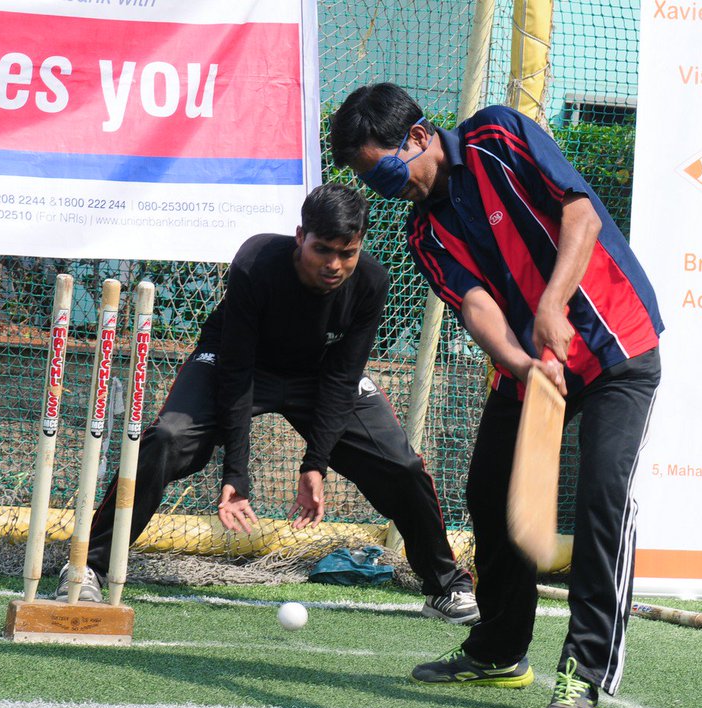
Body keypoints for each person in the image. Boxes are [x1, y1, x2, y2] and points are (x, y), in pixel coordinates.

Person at [330, 84, 664, 708]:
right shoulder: (424, 232)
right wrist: (520, 363)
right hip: (532, 367)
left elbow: (582, 216)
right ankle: (500, 649)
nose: (385, 187)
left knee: (602, 498)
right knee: (487, 492)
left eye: (384, 169)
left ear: (419, 137)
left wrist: (551, 305)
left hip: (615, 346)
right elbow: (476, 305)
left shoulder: (498, 137)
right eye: (371, 180)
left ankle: (585, 672)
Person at [56, 183, 478, 625]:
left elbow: (341, 377)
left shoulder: (371, 281)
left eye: (347, 253)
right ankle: (89, 566)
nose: (334, 265)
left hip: (320, 376)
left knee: (402, 466)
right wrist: (235, 475)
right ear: (300, 237)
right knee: (167, 438)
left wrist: (315, 464)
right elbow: (237, 370)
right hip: (239, 362)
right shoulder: (257, 262)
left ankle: (445, 586)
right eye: (322, 249)